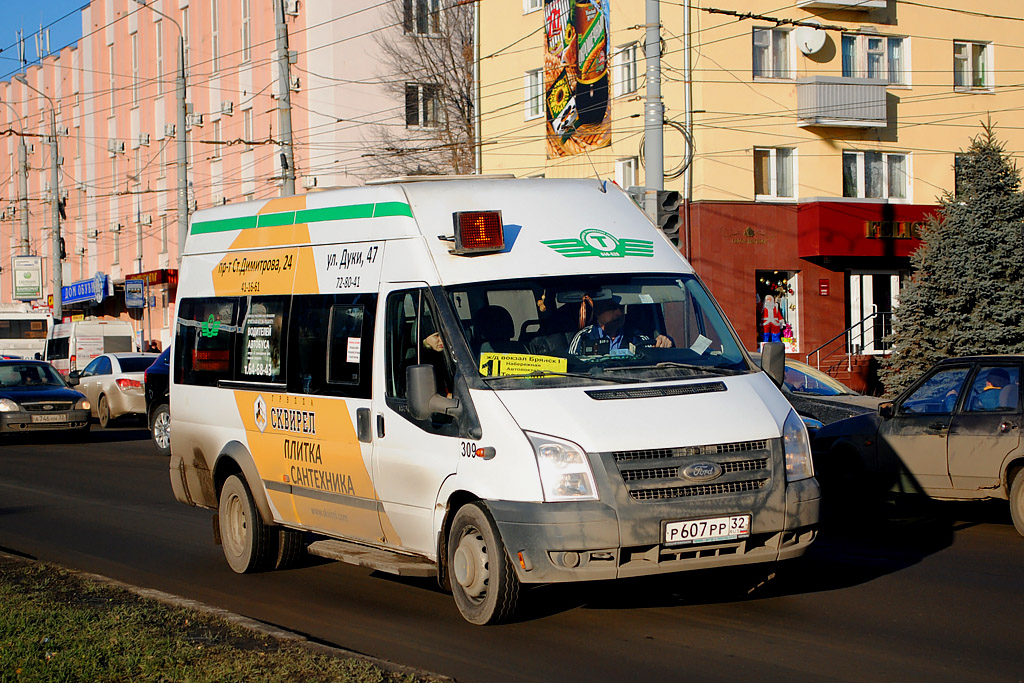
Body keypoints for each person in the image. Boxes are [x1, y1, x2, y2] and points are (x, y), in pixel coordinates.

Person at [568, 297, 672, 355]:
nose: (619, 313)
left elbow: (654, 355)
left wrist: (663, 343)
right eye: (612, 308)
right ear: (598, 312)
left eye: (621, 308)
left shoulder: (637, 338)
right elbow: (570, 367)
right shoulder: (583, 337)